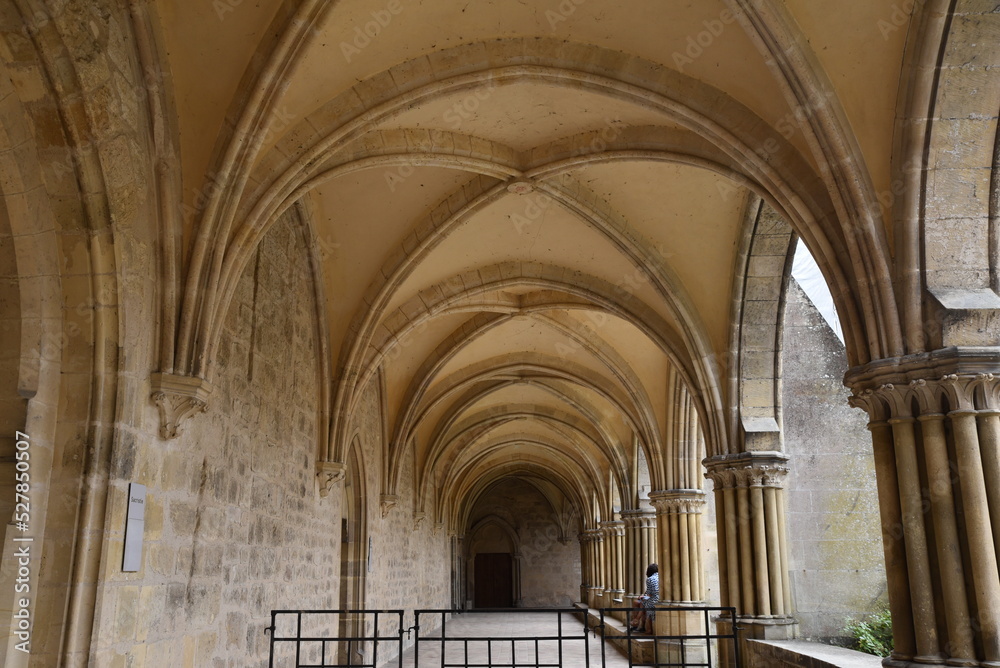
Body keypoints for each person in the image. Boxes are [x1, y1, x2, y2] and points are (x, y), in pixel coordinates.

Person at [629, 563, 659, 634]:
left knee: (642, 602)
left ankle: (636, 622)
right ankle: (638, 624)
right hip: (658, 599)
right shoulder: (660, 576)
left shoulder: (649, 579)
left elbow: (649, 594)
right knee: (638, 602)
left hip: (654, 599)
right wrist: (643, 596)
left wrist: (642, 597)